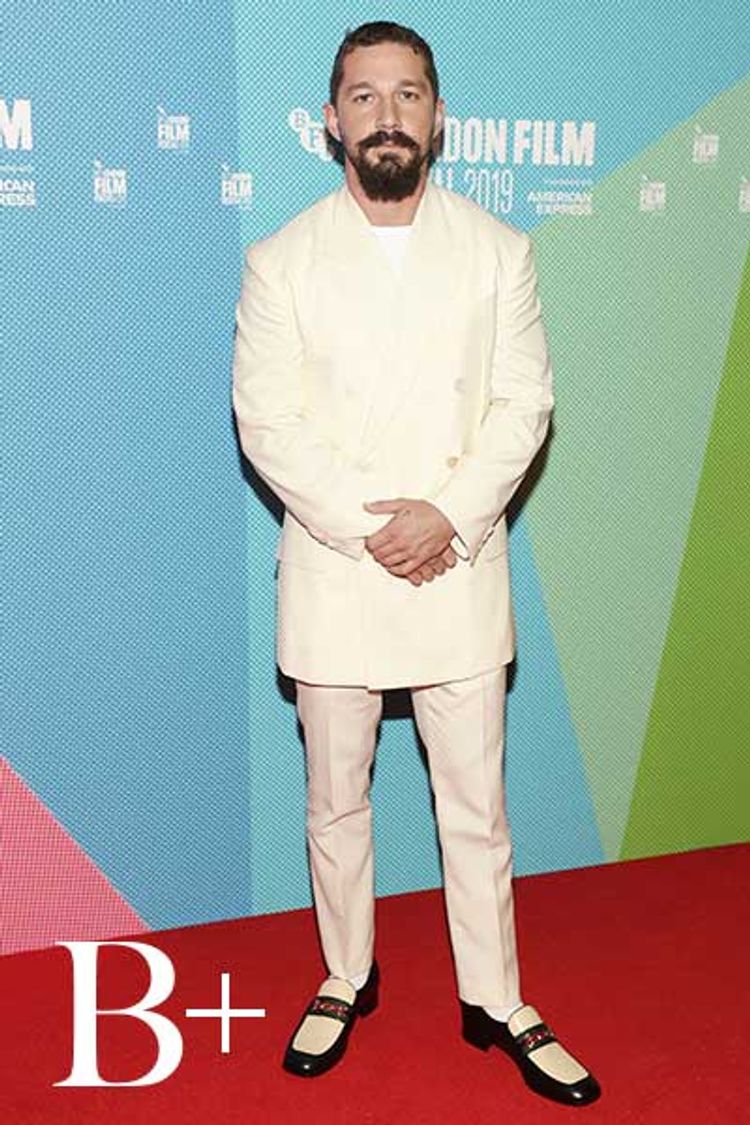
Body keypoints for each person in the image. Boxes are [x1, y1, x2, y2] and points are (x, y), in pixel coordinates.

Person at [231, 20, 601, 1107]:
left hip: (458, 568)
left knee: (476, 806)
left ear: (439, 119)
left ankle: (497, 995)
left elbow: (523, 404)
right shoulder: (281, 261)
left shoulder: (499, 251)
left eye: (407, 95)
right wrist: (379, 530)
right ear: (330, 121)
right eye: (364, 95)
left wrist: (447, 516)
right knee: (334, 800)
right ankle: (346, 973)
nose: (386, 115)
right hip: (337, 574)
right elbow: (268, 423)